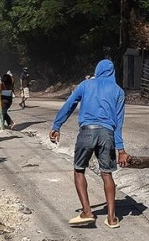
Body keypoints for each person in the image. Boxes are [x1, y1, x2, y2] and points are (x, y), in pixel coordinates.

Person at [49, 59, 130, 228]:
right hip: (107, 134)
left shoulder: (86, 85)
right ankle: (112, 218)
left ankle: (87, 212)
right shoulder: (118, 91)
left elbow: (69, 104)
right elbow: (119, 123)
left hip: (87, 131)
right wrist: (121, 149)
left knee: (79, 170)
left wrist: (57, 125)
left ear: (98, 70)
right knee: (107, 174)